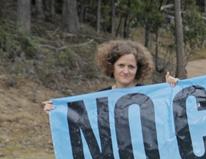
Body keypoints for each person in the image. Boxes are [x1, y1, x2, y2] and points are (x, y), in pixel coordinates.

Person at [44, 39, 177, 111]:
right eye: (121, 65)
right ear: (111, 67)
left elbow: (174, 111)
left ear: (138, 69)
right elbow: (78, 116)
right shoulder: (99, 98)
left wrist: (174, 88)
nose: (125, 71)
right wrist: (56, 109)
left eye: (131, 67)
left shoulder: (150, 96)